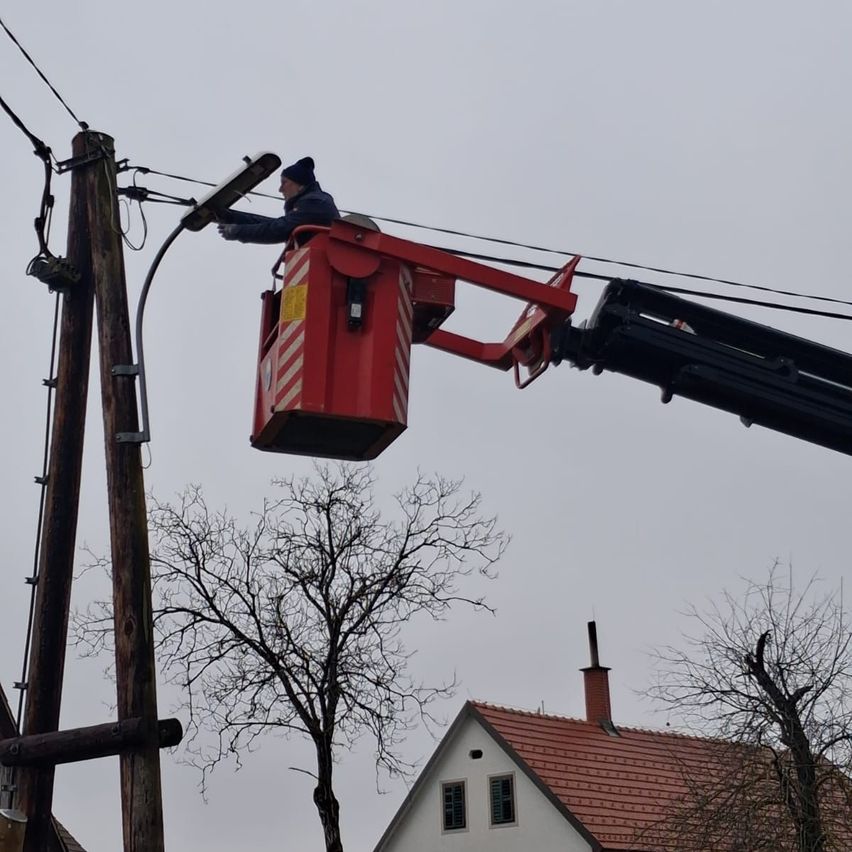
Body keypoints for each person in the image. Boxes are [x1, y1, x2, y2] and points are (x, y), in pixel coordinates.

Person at [216, 156, 339, 245]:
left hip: (320, 262)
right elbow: (275, 224)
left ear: (300, 184)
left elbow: (278, 229)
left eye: (284, 183)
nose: (280, 189)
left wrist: (239, 231)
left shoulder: (314, 202)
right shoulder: (313, 202)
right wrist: (233, 218)